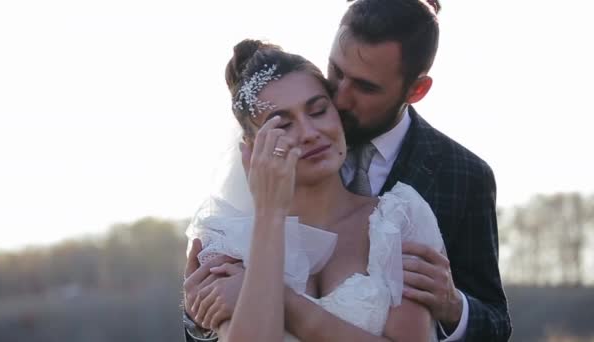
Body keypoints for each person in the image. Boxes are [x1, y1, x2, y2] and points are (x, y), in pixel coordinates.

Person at [184, 0, 512, 340]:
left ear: (416, 90)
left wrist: (453, 306)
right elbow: (211, 322)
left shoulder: (455, 181)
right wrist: (201, 318)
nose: (339, 98)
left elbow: (496, 323)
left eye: (365, 86)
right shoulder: (231, 228)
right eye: (336, 72)